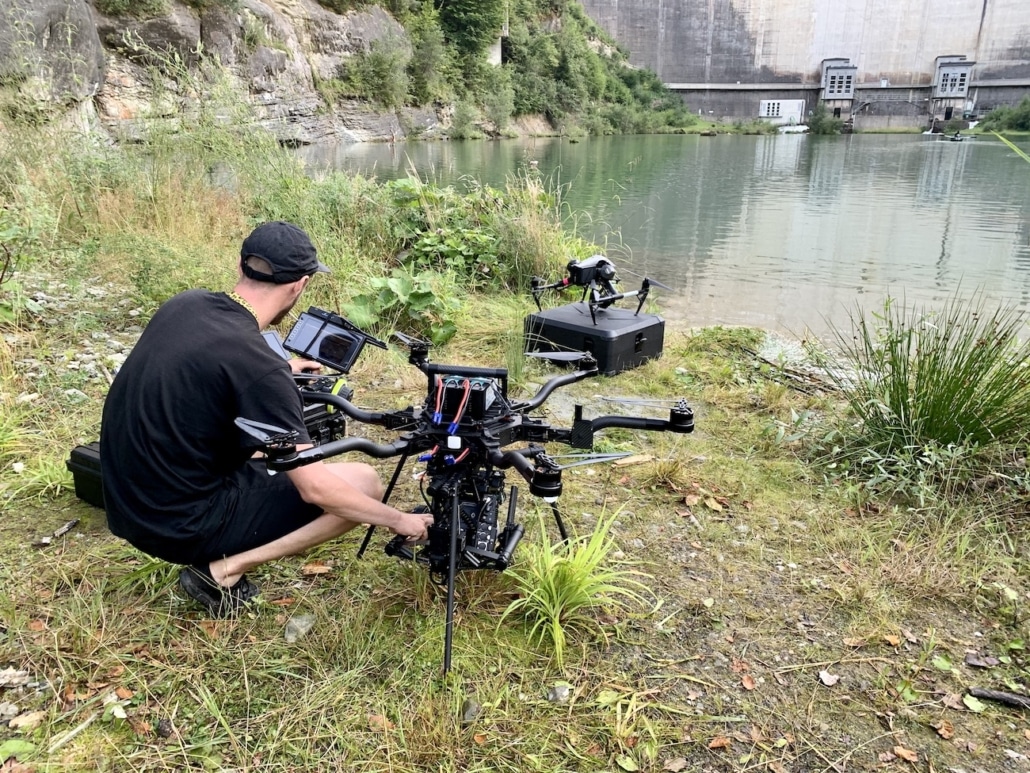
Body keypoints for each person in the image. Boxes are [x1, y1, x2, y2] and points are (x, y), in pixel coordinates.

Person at [100, 221, 432, 617]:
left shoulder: (185, 304)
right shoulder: (258, 368)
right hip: (176, 525)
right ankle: (222, 571)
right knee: (364, 483)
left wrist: (281, 367)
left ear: (242, 265)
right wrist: (398, 521)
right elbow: (316, 491)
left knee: (264, 454)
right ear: (299, 285)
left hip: (126, 503)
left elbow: (204, 369)